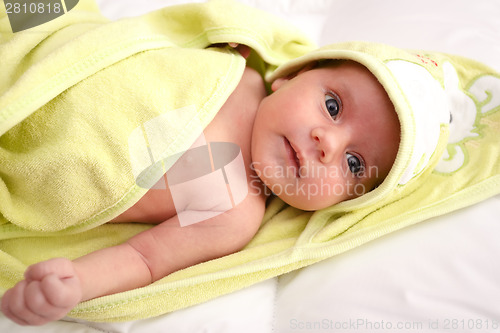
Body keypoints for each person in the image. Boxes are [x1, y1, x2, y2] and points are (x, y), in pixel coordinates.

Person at [0, 44, 401, 324]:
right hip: (48, 70)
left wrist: (78, 282)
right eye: (332, 106)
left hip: (39, 169)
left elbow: (145, 259)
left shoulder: (235, 212)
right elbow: (165, 38)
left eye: (354, 163)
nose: (328, 143)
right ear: (292, 77)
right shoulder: (236, 68)